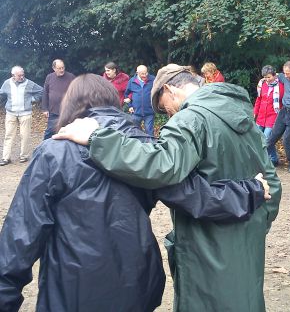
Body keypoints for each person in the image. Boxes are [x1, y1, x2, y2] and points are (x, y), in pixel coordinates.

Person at [0, 74, 270, 312]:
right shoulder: (145, 148)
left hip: (73, 288)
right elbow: (196, 195)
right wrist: (251, 190)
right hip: (137, 281)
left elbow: (21, 234)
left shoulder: (54, 151)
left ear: (71, 106)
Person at [0, 66, 43, 166]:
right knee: (8, 135)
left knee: (25, 135)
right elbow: (1, 93)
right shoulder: (7, 83)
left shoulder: (29, 83)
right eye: (19, 75)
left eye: (23, 75)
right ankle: (6, 158)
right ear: (13, 75)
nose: (22, 77)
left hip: (25, 113)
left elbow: (41, 91)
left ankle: (24, 156)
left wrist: (33, 100)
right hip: (11, 113)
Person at [253, 65, 284, 165]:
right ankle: (271, 158)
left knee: (266, 139)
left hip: (273, 116)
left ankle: (272, 159)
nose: (267, 79)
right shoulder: (262, 84)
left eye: (269, 77)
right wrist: (255, 112)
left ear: (274, 75)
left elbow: (283, 102)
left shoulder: (281, 86)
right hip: (261, 116)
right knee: (257, 138)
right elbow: (259, 99)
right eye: (265, 77)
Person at [41, 58, 75, 139]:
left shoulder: (71, 77)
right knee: (49, 132)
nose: (62, 70)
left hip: (68, 111)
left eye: (63, 67)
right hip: (53, 111)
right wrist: (45, 109)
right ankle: (45, 149)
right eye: (59, 68)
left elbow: (77, 92)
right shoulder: (49, 77)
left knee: (67, 132)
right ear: (54, 68)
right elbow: (45, 93)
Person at [123, 64, 155, 136]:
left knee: (149, 131)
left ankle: (152, 146)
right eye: (142, 74)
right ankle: (141, 144)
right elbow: (127, 94)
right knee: (136, 131)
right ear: (137, 73)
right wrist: (130, 105)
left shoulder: (153, 79)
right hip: (136, 112)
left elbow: (158, 92)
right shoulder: (132, 81)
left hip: (149, 112)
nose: (145, 75)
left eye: (146, 73)